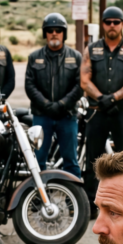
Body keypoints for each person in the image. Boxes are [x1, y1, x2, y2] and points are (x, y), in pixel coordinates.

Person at [80, 6, 123, 213]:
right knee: (93, 160)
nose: (112, 25)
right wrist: (101, 98)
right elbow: (84, 80)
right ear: (103, 25)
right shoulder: (92, 49)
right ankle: (91, 204)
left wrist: (114, 98)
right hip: (97, 111)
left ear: (122, 24)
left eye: (116, 22)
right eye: (108, 22)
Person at [25, 12, 82, 178]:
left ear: (64, 33)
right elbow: (29, 85)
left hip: (68, 115)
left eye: (58, 30)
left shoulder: (76, 57)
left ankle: (74, 196)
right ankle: (38, 198)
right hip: (42, 116)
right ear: (45, 34)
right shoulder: (34, 57)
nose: (54, 33)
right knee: (38, 160)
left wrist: (62, 104)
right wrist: (46, 105)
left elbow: (80, 85)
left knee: (71, 160)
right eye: (50, 30)